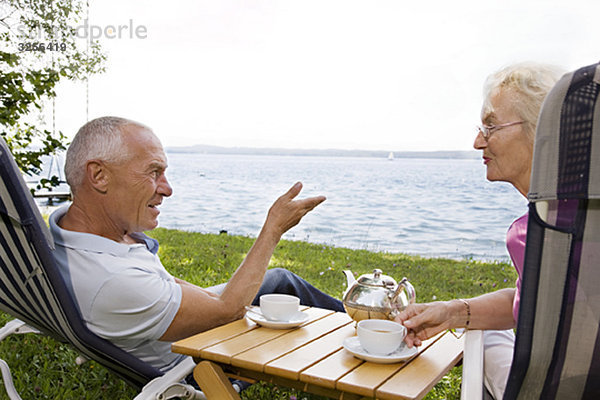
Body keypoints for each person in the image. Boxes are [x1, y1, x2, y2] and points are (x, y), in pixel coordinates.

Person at [49, 116, 345, 374]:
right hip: (193, 360)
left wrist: (207, 298)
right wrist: (273, 229)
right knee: (282, 286)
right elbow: (228, 312)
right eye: (154, 172)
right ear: (99, 176)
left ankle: (373, 323)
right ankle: (372, 335)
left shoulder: (67, 233)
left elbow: (164, 284)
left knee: (281, 281)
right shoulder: (113, 280)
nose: (167, 188)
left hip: (170, 325)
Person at [395, 63, 563, 399]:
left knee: (487, 340)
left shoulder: (541, 233)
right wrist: (452, 312)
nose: (477, 142)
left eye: (490, 126)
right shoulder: (575, 222)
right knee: (488, 334)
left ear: (541, 131)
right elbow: (528, 302)